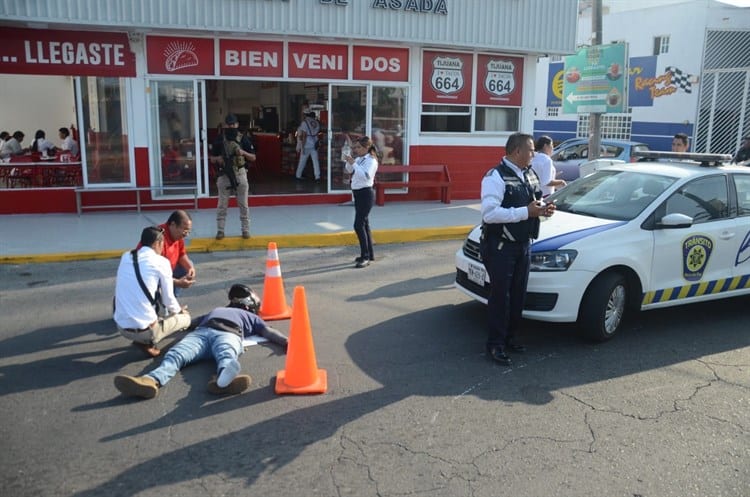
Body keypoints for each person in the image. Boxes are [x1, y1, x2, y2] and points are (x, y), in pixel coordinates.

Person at [113, 284, 288, 399]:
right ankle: (150, 381)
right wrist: (173, 322)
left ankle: (223, 380)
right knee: (177, 354)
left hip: (223, 334)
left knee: (226, 354)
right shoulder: (219, 309)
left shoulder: (250, 317)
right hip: (208, 332)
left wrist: (287, 342)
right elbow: (191, 322)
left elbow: (268, 331)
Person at [479, 133, 556, 366]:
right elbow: (489, 214)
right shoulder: (495, 177)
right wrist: (527, 212)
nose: (535, 154)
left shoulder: (529, 174)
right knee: (501, 297)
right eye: (531, 150)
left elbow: (535, 201)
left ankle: (510, 338)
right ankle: (495, 345)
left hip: (523, 245)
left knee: (518, 296)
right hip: (501, 246)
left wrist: (543, 210)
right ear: (516, 151)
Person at [114, 226, 192, 357]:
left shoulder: (126, 256)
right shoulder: (162, 262)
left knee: (147, 293)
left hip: (121, 327)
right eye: (162, 245)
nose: (163, 249)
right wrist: (180, 311)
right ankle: (147, 340)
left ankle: (143, 338)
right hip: (144, 331)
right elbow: (168, 300)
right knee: (186, 318)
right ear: (157, 243)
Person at [210, 113, 256, 239]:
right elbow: (212, 158)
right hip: (224, 174)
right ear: (225, 125)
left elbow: (253, 157)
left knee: (243, 205)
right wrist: (218, 158)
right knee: (222, 205)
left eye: (233, 124)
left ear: (237, 124)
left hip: (240, 173)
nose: (231, 126)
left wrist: (243, 153)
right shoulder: (219, 139)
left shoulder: (243, 139)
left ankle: (245, 230)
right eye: (229, 124)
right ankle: (220, 230)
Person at [344, 135, 378, 268]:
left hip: (366, 194)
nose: (356, 149)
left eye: (359, 147)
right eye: (355, 147)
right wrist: (349, 161)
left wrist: (354, 164)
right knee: (364, 224)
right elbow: (349, 170)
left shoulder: (371, 161)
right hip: (357, 194)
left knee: (358, 225)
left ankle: (365, 256)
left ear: (367, 147)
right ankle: (370, 253)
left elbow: (365, 176)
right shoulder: (359, 159)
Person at [295, 111, 321, 182]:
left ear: (306, 115)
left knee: (302, 161)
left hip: (306, 144)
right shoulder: (316, 123)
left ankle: (298, 175)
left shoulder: (304, 123)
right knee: (315, 161)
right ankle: (317, 177)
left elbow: (304, 135)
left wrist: (302, 146)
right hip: (314, 144)